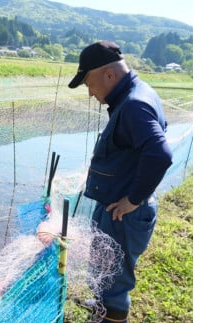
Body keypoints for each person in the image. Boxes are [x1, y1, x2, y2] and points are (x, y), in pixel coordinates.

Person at [68, 41, 173, 322]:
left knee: (115, 282)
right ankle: (101, 304)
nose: (91, 93)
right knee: (105, 267)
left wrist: (133, 199)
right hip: (115, 209)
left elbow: (160, 153)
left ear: (109, 75)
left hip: (123, 214)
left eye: (90, 84)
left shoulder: (134, 105)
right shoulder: (133, 95)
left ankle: (110, 313)